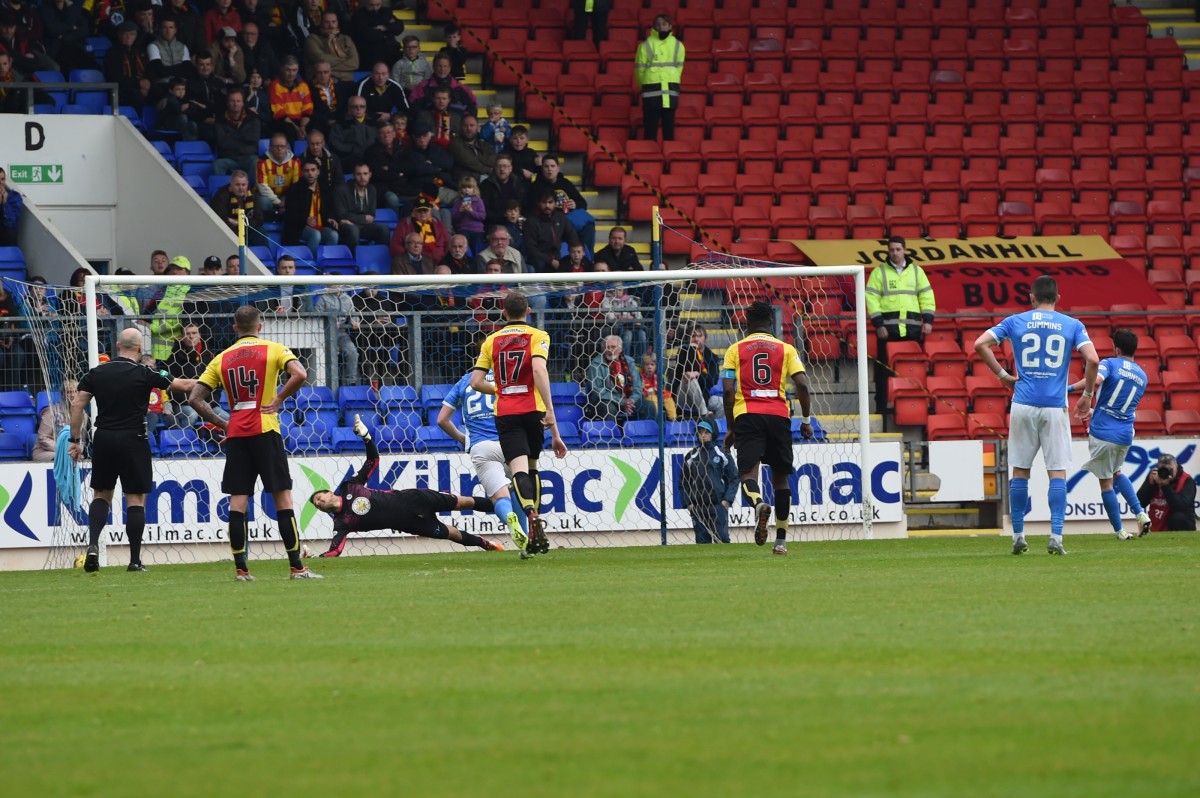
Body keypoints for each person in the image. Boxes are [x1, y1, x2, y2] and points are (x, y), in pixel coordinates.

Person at [188, 305, 321, 580]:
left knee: (238, 502)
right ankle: (297, 568)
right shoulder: (274, 348)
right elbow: (300, 374)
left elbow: (194, 399)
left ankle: (241, 570)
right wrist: (279, 398)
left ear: (235, 328)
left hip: (237, 434)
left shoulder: (221, 358)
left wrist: (224, 423)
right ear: (259, 327)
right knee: (282, 498)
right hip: (266, 429)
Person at [974, 274, 1097, 556]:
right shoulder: (1073, 325)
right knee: (1057, 473)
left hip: (1023, 404)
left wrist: (1003, 376)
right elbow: (1093, 359)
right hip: (1054, 406)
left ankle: (1018, 535)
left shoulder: (1016, 321)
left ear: (1031, 297)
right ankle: (1056, 536)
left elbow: (980, 344)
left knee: (1020, 471)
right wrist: (1087, 395)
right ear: (1058, 298)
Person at [69, 328, 196, 573]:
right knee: (135, 499)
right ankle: (135, 560)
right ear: (139, 349)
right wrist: (213, 379)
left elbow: (77, 405)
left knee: (101, 495)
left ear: (117, 346)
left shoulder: (97, 372)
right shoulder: (146, 372)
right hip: (134, 438)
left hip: (104, 437)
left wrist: (75, 440)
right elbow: (182, 385)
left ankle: (93, 545)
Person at [309, 414, 504, 556]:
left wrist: (366, 438)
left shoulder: (349, 486)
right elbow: (335, 551)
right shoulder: (341, 523)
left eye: (319, 498)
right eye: (316, 504)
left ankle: (505, 507)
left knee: (463, 502)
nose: (318, 503)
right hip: (410, 524)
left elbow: (373, 461)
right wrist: (316, 559)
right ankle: (486, 544)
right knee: (451, 534)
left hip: (413, 499)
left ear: (328, 492)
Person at [470, 291, 568, 556]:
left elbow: (475, 382)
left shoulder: (491, 340)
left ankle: (531, 514)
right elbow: (538, 370)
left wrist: (501, 388)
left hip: (507, 413)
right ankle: (536, 518)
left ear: (504, 313)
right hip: (533, 410)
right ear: (528, 311)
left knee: (518, 470)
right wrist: (551, 414)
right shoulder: (538, 336)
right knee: (533, 468)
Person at [722, 300, 813, 555]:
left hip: (748, 414)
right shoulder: (786, 349)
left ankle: (759, 504)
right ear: (771, 322)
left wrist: (731, 427)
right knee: (781, 479)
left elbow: (728, 391)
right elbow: (804, 386)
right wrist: (805, 421)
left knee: (748, 476)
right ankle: (781, 541)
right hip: (779, 416)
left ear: (747, 322)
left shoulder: (734, 350)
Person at [1069, 328, 1152, 540]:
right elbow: (1122, 406)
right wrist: (1095, 410)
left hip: (1103, 432)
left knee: (1106, 483)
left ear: (1116, 348)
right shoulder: (1142, 376)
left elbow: (1095, 380)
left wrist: (1069, 389)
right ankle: (1140, 513)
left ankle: (1120, 531)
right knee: (1117, 473)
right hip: (1124, 434)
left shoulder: (1109, 363)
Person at [438, 369, 531, 548]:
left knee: (499, 497)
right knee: (519, 489)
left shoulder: (466, 381)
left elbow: (442, 419)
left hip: (482, 447)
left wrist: (463, 439)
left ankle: (509, 518)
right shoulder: (506, 379)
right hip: (510, 442)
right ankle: (527, 538)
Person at [866, 235, 936, 417]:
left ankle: (913, 409)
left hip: (912, 331)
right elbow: (871, 299)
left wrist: (928, 320)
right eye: (892, 250)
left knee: (912, 371)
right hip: (886, 332)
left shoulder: (916, 271)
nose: (895, 253)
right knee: (883, 374)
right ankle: (881, 409)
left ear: (904, 250)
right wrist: (878, 324)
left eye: (898, 249)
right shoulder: (879, 272)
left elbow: (927, 296)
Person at [680, 420, 738, 544]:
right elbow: (684, 482)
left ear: (713, 434)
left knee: (722, 540)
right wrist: (688, 503)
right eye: (700, 432)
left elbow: (733, 478)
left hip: (718, 505)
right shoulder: (691, 456)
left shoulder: (722, 454)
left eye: (706, 432)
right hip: (698, 507)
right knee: (701, 543)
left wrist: (727, 500)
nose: (703, 435)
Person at [529, 153, 595, 254]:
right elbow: (531, 209)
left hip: (568, 219)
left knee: (589, 227)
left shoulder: (565, 183)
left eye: (552, 166)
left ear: (558, 168)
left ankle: (587, 258)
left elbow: (583, 203)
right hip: (548, 222)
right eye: (546, 166)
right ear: (542, 169)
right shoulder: (536, 186)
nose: (549, 169)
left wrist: (575, 204)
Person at [635, 14, 685, 141]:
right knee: (650, 131)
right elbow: (639, 71)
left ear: (669, 26)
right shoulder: (645, 45)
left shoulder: (678, 45)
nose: (661, 27)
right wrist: (645, 85)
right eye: (658, 24)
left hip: (670, 91)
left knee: (669, 131)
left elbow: (679, 68)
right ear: (654, 26)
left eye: (664, 24)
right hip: (651, 91)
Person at [283, 159, 338, 258]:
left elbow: (330, 208)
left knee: (333, 235)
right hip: (299, 227)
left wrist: (330, 217)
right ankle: (310, 263)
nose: (310, 173)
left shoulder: (324, 189)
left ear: (318, 172)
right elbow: (290, 214)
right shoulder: (294, 189)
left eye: (313, 170)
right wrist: (306, 219)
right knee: (315, 235)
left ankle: (326, 262)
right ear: (302, 172)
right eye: (307, 171)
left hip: (320, 225)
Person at [587, 334, 649, 422]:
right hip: (607, 400)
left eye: (613, 347)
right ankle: (611, 435)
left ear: (620, 349)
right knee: (609, 409)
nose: (610, 350)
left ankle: (645, 434)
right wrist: (622, 402)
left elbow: (637, 386)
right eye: (607, 347)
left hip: (629, 399)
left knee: (648, 406)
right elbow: (597, 390)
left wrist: (631, 401)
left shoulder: (629, 362)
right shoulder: (596, 364)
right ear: (603, 349)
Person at [331, 161, 390, 252]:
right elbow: (341, 215)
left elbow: (371, 215)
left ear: (370, 174)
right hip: (344, 226)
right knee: (353, 230)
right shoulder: (341, 190)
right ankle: (354, 262)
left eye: (365, 174)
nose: (362, 177)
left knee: (383, 229)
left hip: (362, 226)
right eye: (359, 174)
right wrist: (363, 218)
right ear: (353, 175)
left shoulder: (372, 190)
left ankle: (378, 259)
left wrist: (356, 219)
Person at [673, 323, 723, 420]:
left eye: (700, 336)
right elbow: (680, 375)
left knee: (721, 403)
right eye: (693, 336)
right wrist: (691, 349)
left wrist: (697, 374)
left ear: (705, 338)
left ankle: (713, 428)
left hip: (704, 397)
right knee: (690, 379)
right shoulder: (683, 352)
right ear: (688, 338)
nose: (696, 339)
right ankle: (704, 415)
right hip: (683, 397)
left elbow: (713, 380)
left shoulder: (712, 357)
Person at [1136, 453, 1197, 532]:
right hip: (1157, 521)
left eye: (1169, 469)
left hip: (1180, 525)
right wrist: (1148, 484)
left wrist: (1165, 486)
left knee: (1178, 517)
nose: (1166, 472)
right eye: (1163, 468)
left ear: (1176, 466)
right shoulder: (1155, 476)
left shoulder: (1186, 480)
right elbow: (1140, 503)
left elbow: (1181, 507)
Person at [524, 189, 580, 273]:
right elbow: (531, 249)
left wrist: (576, 252)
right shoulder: (531, 221)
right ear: (538, 203)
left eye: (550, 202)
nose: (547, 206)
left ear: (555, 203)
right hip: (538, 257)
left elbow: (572, 236)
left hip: (557, 256)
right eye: (544, 202)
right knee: (540, 265)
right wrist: (550, 260)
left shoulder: (560, 218)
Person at [313, 285, 359, 387]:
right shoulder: (323, 298)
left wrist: (354, 321)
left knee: (352, 352)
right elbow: (316, 315)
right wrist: (329, 322)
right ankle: (332, 383)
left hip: (341, 333)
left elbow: (353, 314)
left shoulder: (348, 299)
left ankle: (351, 383)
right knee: (333, 354)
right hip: (326, 333)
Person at [213, 87, 262, 176]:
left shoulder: (253, 117)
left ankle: (252, 189)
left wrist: (232, 135)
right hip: (228, 157)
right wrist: (244, 138)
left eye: (238, 101)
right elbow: (222, 142)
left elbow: (254, 138)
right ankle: (221, 190)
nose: (235, 104)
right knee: (217, 164)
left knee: (256, 162)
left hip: (248, 157)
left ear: (243, 103)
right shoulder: (220, 119)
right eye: (232, 101)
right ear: (228, 103)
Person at [302, 9, 358, 81]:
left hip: (347, 81)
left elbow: (355, 63)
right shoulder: (311, 39)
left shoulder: (346, 39)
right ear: (321, 23)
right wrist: (344, 59)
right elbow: (321, 58)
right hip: (323, 83)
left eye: (333, 22)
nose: (331, 26)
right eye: (327, 22)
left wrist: (328, 68)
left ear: (337, 23)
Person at [390, 197, 448, 265]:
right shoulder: (405, 224)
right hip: (415, 263)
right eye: (419, 210)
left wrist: (443, 258)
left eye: (425, 210)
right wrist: (410, 258)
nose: (422, 213)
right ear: (414, 211)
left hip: (439, 262)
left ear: (430, 210)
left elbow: (447, 242)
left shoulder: (437, 223)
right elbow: (395, 246)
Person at [255, 131, 302, 214]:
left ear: (287, 146)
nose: (279, 149)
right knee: (264, 202)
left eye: (282, 146)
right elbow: (262, 187)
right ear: (270, 147)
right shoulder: (262, 162)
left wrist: (288, 201)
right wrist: (278, 202)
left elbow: (297, 185)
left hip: (286, 195)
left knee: (296, 200)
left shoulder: (295, 162)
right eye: (276, 146)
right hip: (267, 196)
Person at [268, 55, 313, 141]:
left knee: (314, 126)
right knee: (289, 129)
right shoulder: (275, 85)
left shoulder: (303, 85)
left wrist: (302, 127)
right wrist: (297, 129)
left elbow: (308, 108)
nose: (291, 74)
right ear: (282, 69)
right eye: (288, 70)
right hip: (284, 121)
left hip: (301, 121)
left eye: (294, 70)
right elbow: (278, 112)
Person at [349, 0, 403, 70]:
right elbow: (368, 34)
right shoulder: (358, 15)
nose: (375, 8)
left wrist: (385, 27)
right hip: (370, 54)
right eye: (371, 5)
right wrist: (387, 29)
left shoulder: (386, 11)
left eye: (378, 5)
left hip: (390, 50)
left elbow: (399, 27)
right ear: (366, 3)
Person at [480, 153, 527, 228]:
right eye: (499, 166)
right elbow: (484, 210)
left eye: (505, 166)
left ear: (510, 168)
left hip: (516, 221)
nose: (502, 169)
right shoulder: (486, 185)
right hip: (494, 224)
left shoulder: (519, 183)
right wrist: (503, 218)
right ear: (495, 168)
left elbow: (524, 204)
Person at [448, 114, 496, 186]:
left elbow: (494, 159)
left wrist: (478, 159)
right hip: (466, 183)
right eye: (465, 125)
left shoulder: (483, 144)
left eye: (472, 125)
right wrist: (489, 170)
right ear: (461, 127)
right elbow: (468, 161)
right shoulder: (455, 143)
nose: (469, 128)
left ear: (477, 127)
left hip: (485, 181)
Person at [355, 60, 407, 124]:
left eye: (383, 74)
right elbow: (356, 110)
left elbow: (406, 111)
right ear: (372, 74)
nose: (380, 77)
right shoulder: (362, 85)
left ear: (388, 75)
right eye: (377, 74)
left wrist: (391, 115)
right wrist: (376, 116)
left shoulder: (395, 87)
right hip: (367, 121)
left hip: (388, 121)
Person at [328, 95, 377, 163]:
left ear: (365, 108)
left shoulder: (374, 123)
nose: (358, 109)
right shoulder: (340, 124)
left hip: (371, 159)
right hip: (349, 160)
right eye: (355, 106)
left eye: (362, 106)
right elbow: (335, 144)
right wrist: (353, 149)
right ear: (349, 108)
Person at [451, 175, 486, 252]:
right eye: (464, 188)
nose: (467, 190)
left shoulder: (478, 201)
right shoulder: (458, 202)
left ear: (474, 189)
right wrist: (460, 212)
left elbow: (482, 216)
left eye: (469, 187)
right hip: (464, 229)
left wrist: (471, 212)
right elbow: (454, 219)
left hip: (477, 230)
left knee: (477, 251)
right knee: (465, 251)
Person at [0, 165, 23, 247]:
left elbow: (12, 223)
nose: (0, 182)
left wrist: (4, 203)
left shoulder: (14, 197)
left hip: (7, 241)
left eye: (2, 179)